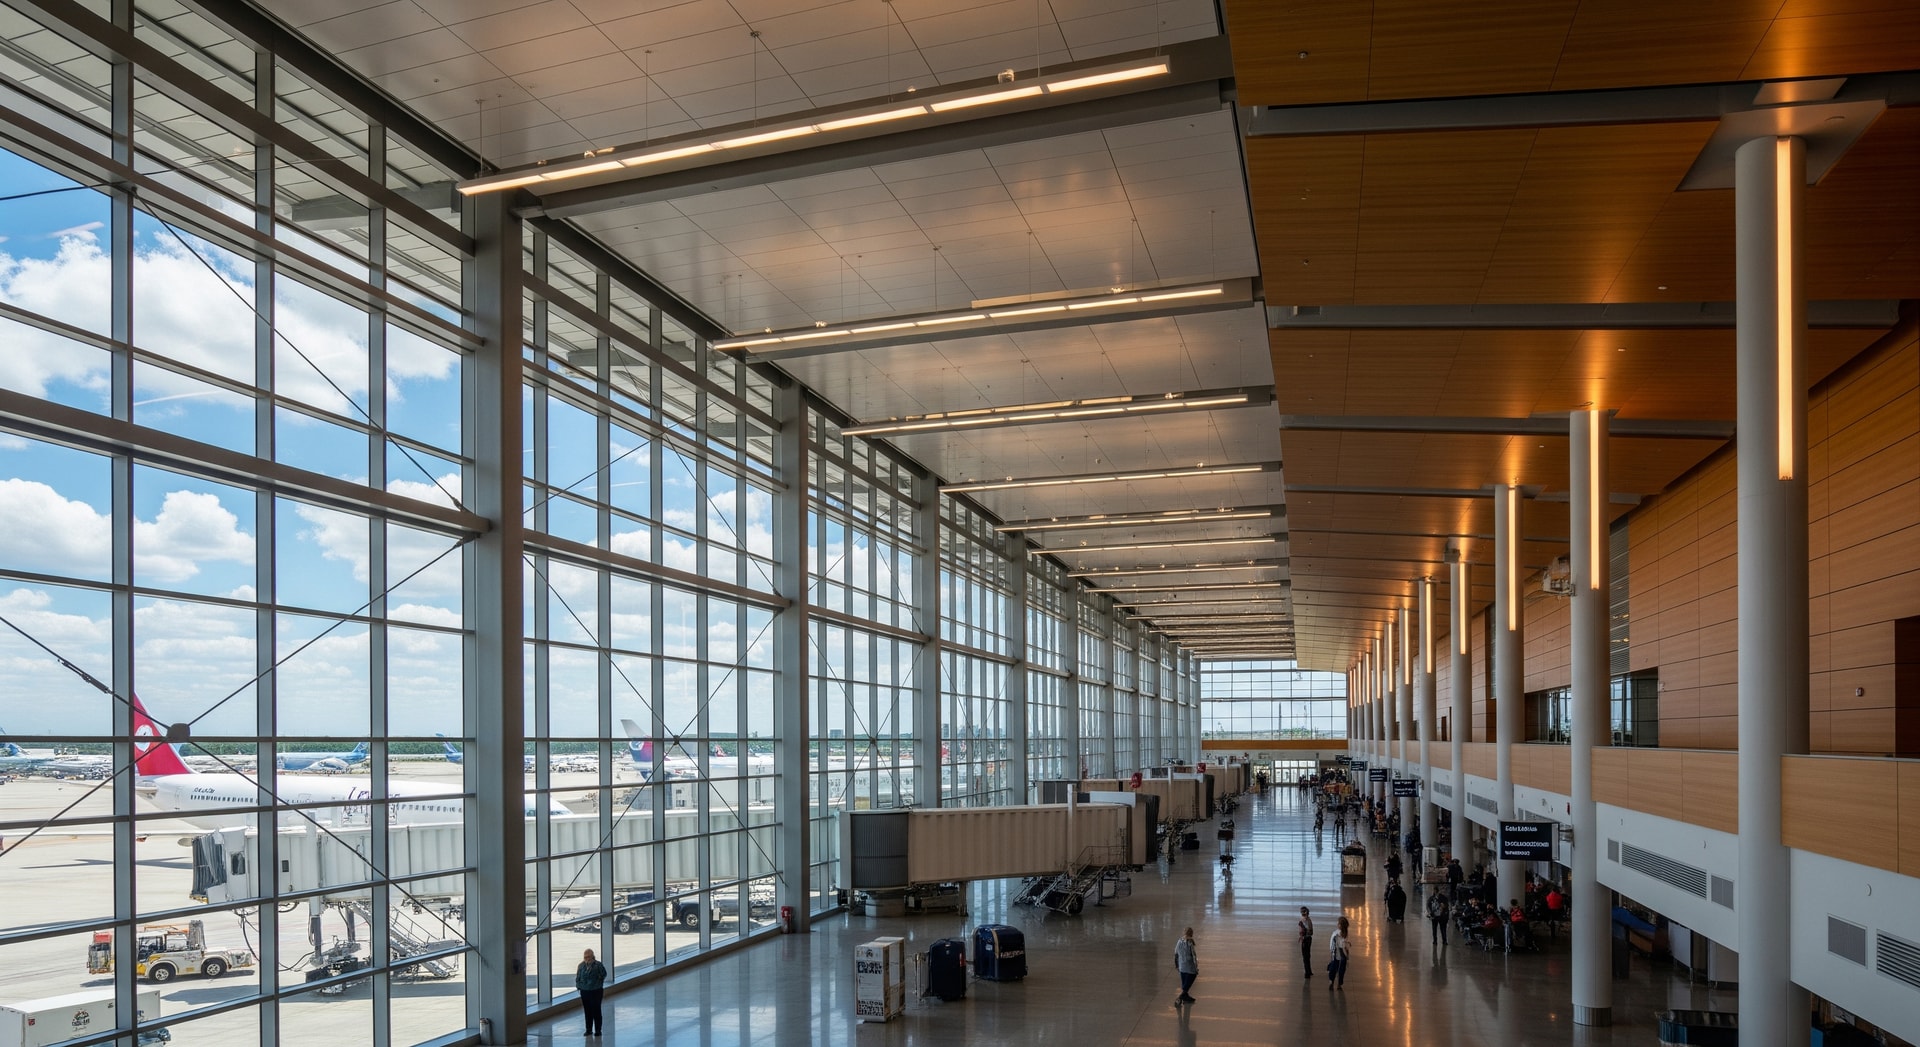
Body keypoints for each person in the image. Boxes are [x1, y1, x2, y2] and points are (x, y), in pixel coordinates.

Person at [575, 948, 608, 1037]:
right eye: (585, 957)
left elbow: (604, 974)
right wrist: (579, 986)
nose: (587, 958)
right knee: (587, 1011)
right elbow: (578, 977)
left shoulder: (598, 965)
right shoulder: (581, 966)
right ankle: (588, 1029)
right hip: (585, 991)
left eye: (589, 956)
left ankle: (598, 1030)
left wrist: (598, 981)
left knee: (596, 1010)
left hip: (596, 991)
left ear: (592, 956)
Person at [1173, 926, 1199, 1004]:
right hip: (1189, 967)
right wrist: (1196, 967)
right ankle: (1182, 996)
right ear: (1191, 934)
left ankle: (1185, 996)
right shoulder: (1190, 943)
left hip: (1181, 966)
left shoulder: (1179, 941)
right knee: (1192, 977)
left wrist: (1177, 965)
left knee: (1184, 983)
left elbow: (1176, 954)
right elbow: (1194, 956)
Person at [1327, 916, 1352, 988]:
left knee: (1333, 968)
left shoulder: (1335, 934)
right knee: (1341, 970)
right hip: (1342, 955)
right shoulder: (1345, 934)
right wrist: (1347, 955)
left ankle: (1331, 981)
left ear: (1340, 925)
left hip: (1336, 954)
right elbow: (1345, 946)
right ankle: (1339, 983)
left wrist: (1331, 952)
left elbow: (1332, 944)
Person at [1297, 907, 1315, 978]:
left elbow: (1301, 932)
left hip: (1305, 940)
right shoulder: (1309, 920)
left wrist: (1303, 934)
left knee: (1305, 956)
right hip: (1309, 939)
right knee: (1308, 955)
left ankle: (1307, 973)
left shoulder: (1302, 921)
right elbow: (1311, 932)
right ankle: (1309, 971)